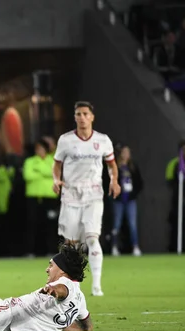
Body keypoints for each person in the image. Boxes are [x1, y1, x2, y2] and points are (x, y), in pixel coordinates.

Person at [53, 101, 120, 297]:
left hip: (93, 194)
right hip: (71, 194)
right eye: (78, 114)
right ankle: (73, 285)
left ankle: (97, 286)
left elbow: (112, 165)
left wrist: (114, 181)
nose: (82, 117)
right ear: (74, 117)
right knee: (71, 244)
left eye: (85, 114)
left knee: (92, 237)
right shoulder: (65, 140)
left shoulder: (103, 140)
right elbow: (56, 165)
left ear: (92, 117)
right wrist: (56, 180)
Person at [111, 145, 143, 256]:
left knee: (132, 224)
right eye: (124, 152)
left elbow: (139, 183)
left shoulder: (133, 166)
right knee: (117, 224)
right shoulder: (115, 167)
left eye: (127, 153)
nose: (125, 155)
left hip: (130, 200)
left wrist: (133, 194)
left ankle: (135, 247)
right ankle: (114, 247)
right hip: (119, 200)